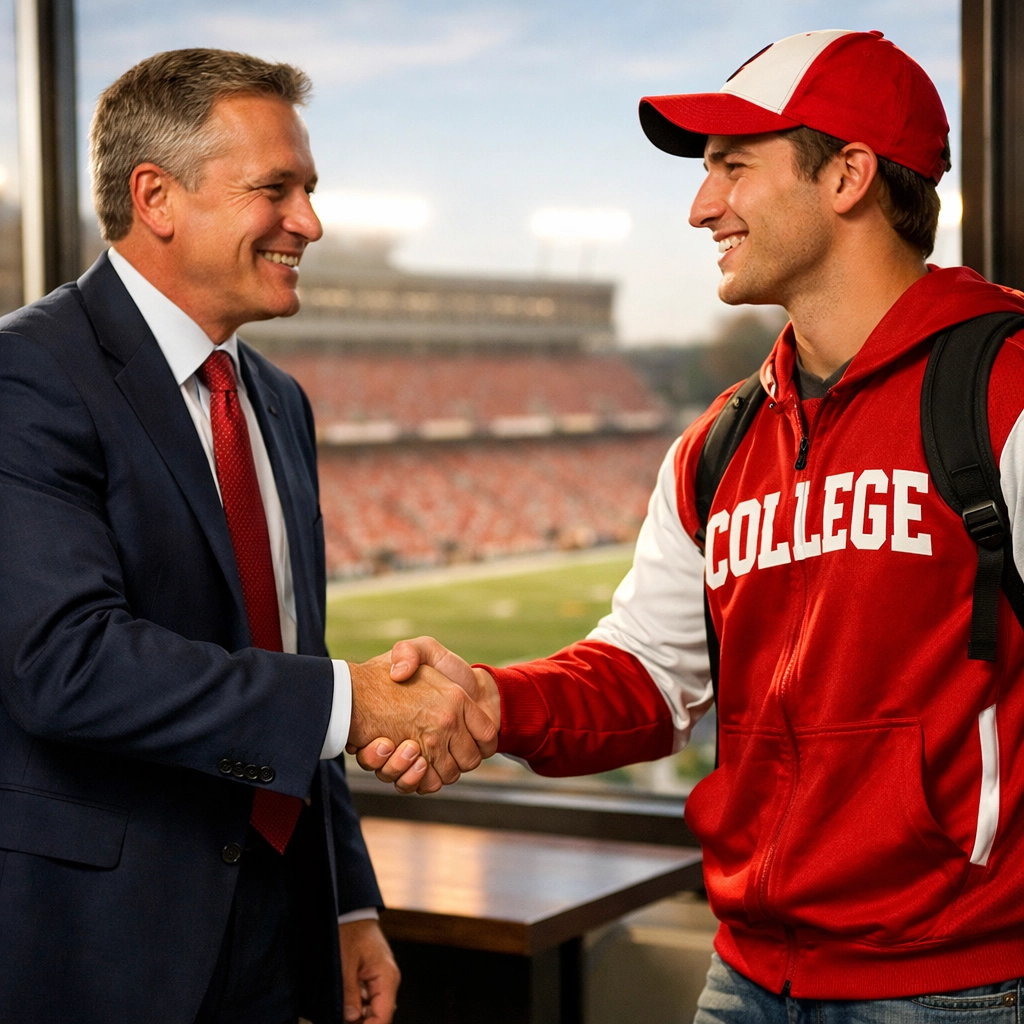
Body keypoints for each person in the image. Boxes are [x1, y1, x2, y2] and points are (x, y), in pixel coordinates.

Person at [360, 29, 1024, 1019]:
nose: (700, 205)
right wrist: (494, 701)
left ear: (846, 176)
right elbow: (644, 673)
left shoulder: (1005, 390)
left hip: (955, 986)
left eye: (732, 167)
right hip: (747, 974)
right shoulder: (717, 442)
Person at [0, 49, 495, 1024]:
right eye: (276, 188)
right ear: (157, 197)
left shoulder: (275, 401)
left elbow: (289, 666)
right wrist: (358, 703)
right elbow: (65, 662)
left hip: (275, 924)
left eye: (309, 190)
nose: (310, 222)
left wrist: (349, 898)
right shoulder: (28, 377)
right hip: (101, 944)